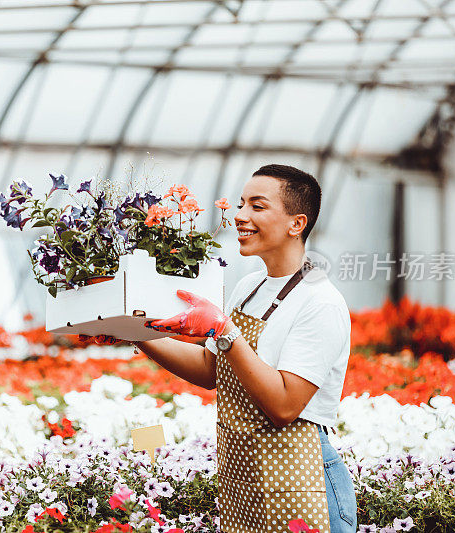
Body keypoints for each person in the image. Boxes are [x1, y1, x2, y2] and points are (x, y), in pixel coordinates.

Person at [80, 164, 357, 533]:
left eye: (257, 207)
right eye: (241, 204)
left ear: (297, 223)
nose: (240, 216)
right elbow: (211, 369)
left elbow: (284, 406)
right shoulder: (251, 286)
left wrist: (225, 331)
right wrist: (134, 331)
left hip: (305, 482)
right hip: (248, 482)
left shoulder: (320, 302)